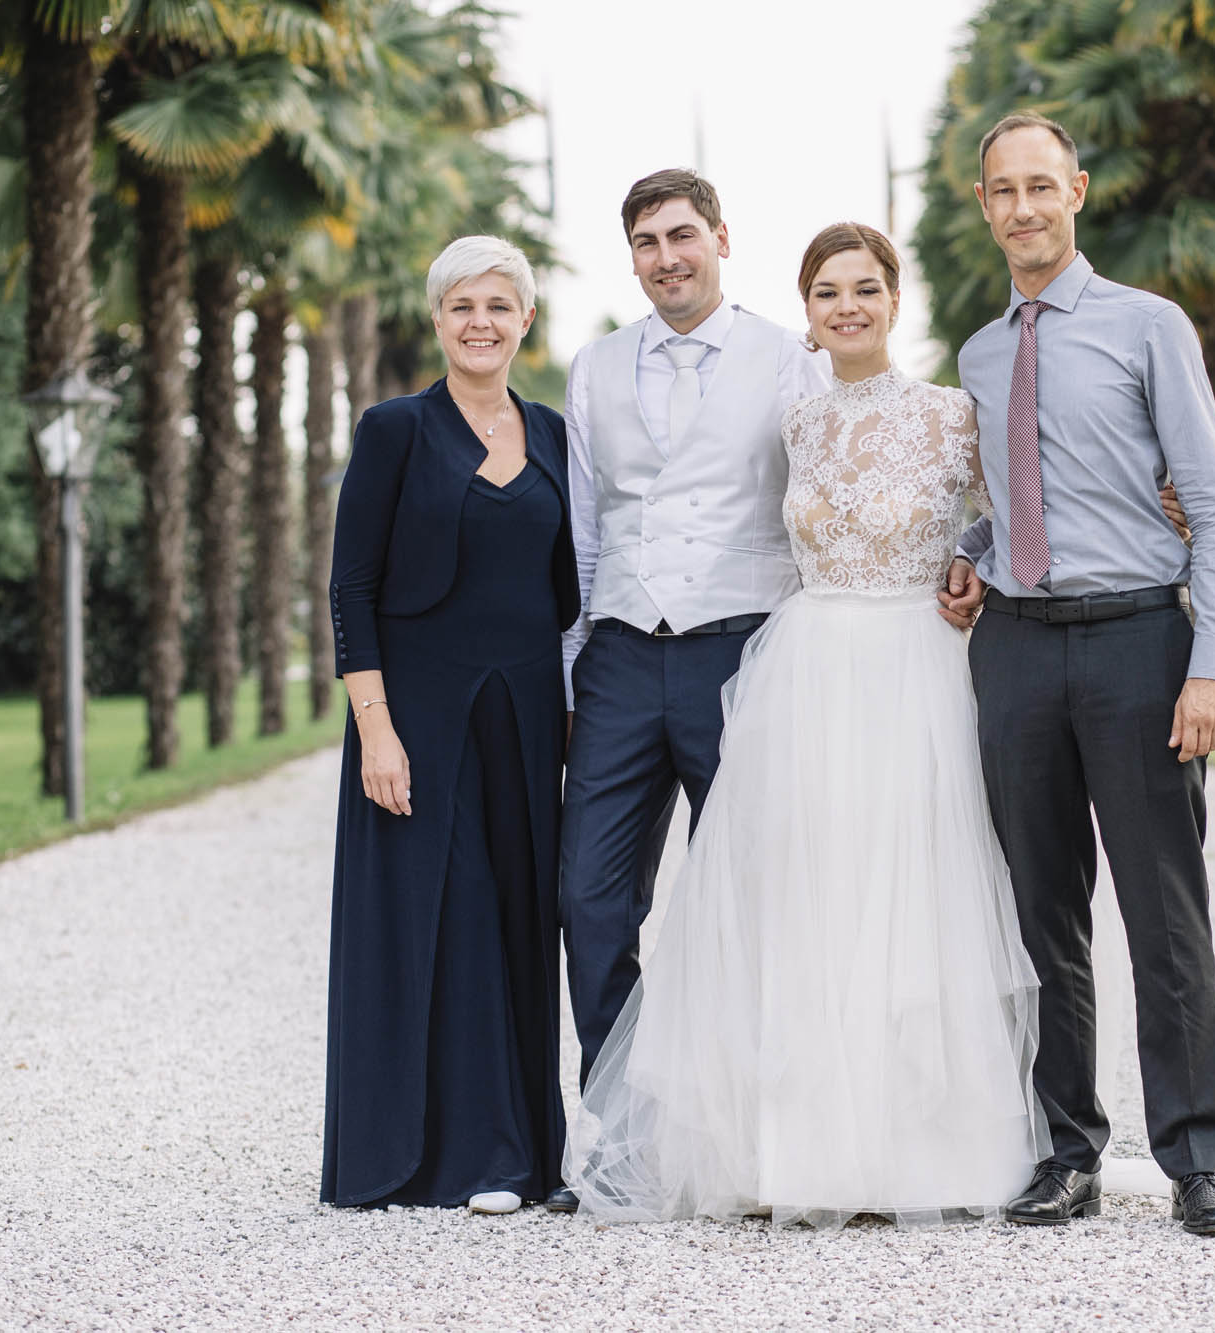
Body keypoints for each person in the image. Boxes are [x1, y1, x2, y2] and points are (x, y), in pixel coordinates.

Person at [564, 223, 1048, 1227]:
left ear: (893, 299)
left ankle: (921, 1151)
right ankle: (799, 1149)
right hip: (807, 672)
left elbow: (1011, 521)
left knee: (912, 895)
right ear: (808, 313)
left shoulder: (951, 416)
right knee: (808, 904)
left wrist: (972, 571)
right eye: (828, 293)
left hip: (914, 668)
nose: (848, 307)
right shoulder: (799, 423)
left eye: (864, 289)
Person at [943, 113, 1215, 1236]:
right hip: (1015, 649)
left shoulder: (1147, 327)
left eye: (1040, 185)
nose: (1022, 207)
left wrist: (1208, 667)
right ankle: (1065, 1149)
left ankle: (1194, 1158)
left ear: (1075, 189)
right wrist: (970, 561)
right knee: (1040, 915)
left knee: (1162, 912)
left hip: (1138, 642)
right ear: (982, 205)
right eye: (1001, 190)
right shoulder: (979, 353)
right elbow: (1002, 500)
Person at [547, 170, 828, 1213]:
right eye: (645, 242)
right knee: (588, 897)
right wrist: (574, 664)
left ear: (719, 238)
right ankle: (622, 1138)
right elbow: (582, 524)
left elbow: (817, 506)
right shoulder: (594, 365)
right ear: (631, 257)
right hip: (619, 652)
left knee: (752, 900)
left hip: (740, 649)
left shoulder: (785, 362)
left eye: (681, 236)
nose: (665, 257)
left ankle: (750, 1142)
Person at [320, 236, 578, 1214]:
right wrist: (374, 729)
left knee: (516, 917)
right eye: (461, 305)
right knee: (429, 915)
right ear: (438, 319)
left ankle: (519, 1156)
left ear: (523, 321)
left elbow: (569, 586)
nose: (480, 322)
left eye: (497, 306)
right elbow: (352, 586)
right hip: (415, 713)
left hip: (522, 709)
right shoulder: (394, 429)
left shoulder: (553, 432)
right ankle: (418, 1159)